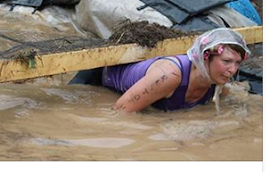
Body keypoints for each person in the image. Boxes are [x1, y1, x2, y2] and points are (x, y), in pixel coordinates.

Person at [70, 28, 250, 112]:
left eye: (237, 63)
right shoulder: (168, 76)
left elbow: (235, 103)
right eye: (226, 61)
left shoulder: (217, 83)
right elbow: (118, 112)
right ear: (205, 57)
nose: (232, 69)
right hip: (97, 76)